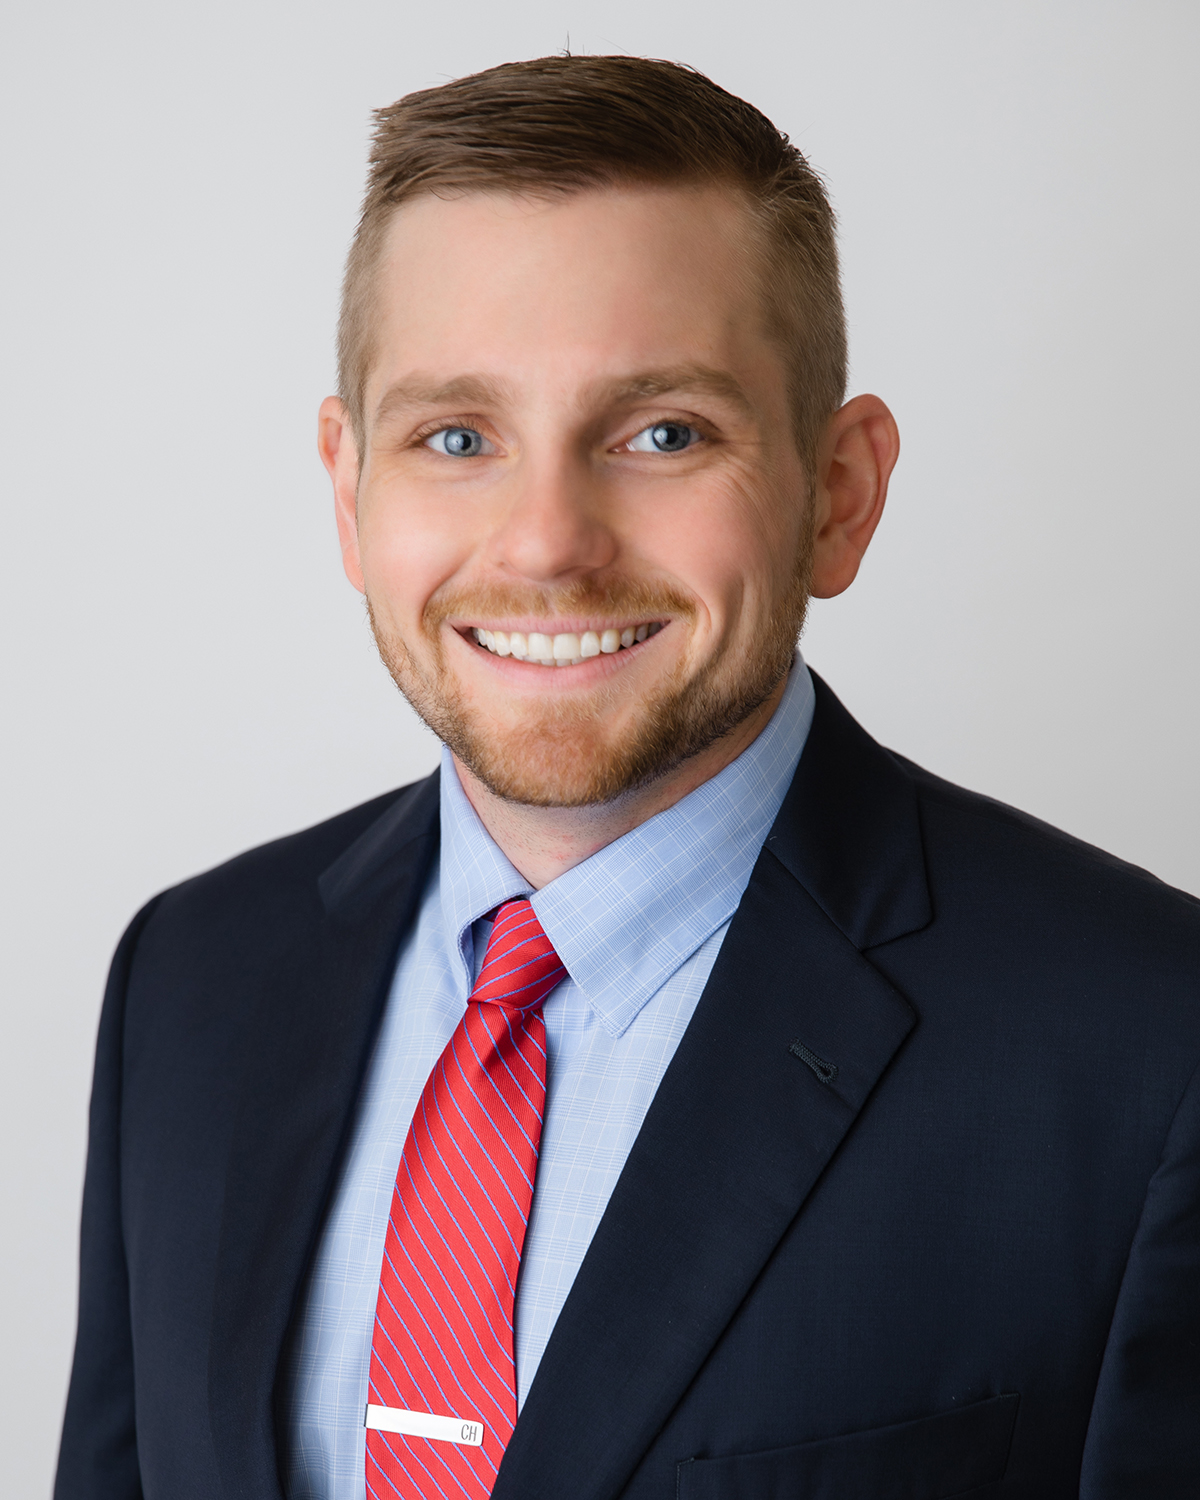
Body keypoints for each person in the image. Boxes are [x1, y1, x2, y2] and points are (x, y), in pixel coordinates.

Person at [55, 54, 1200, 1500]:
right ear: (349, 490)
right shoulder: (191, 978)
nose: (547, 543)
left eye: (665, 433)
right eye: (456, 437)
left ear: (839, 494)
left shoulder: (1152, 1051)